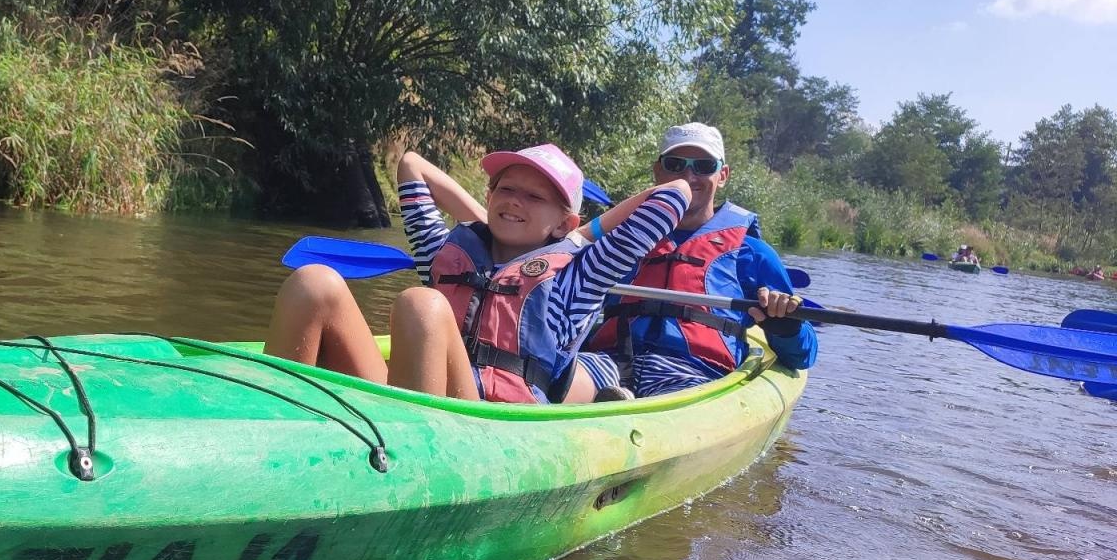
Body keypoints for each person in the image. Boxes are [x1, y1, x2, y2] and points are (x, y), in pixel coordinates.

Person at [264, 143, 690, 403]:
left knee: (421, 303)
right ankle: (275, 426)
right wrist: (488, 219)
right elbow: (412, 166)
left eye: (533, 197)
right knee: (314, 282)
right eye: (506, 190)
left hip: (489, 419)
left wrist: (578, 236)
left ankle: (409, 467)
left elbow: (676, 193)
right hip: (415, 392)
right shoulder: (445, 252)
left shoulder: (582, 275)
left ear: (564, 220)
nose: (515, 201)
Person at [584, 122, 817, 397]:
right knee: (563, 379)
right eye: (675, 164)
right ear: (658, 171)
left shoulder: (753, 253)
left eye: (704, 166)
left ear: (723, 175)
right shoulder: (620, 239)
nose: (688, 176)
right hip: (606, 362)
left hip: (694, 374)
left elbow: (803, 355)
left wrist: (786, 327)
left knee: (673, 395)